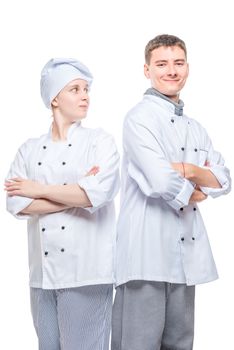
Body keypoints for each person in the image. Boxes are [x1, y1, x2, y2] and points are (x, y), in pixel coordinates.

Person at [111, 34, 231, 350]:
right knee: (138, 344)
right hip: (144, 256)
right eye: (162, 64)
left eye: (178, 63)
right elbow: (161, 182)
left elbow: (223, 180)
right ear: (147, 70)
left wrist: (188, 170)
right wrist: (196, 184)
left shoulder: (196, 128)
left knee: (180, 343)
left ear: (187, 68)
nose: (171, 71)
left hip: (185, 259)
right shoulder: (139, 118)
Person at [5, 57, 120, 350]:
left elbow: (96, 195)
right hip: (42, 276)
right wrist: (76, 191)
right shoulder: (29, 149)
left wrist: (38, 189)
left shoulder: (99, 142)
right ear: (54, 98)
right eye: (75, 89)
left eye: (86, 89)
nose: (85, 96)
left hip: (88, 273)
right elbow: (16, 203)